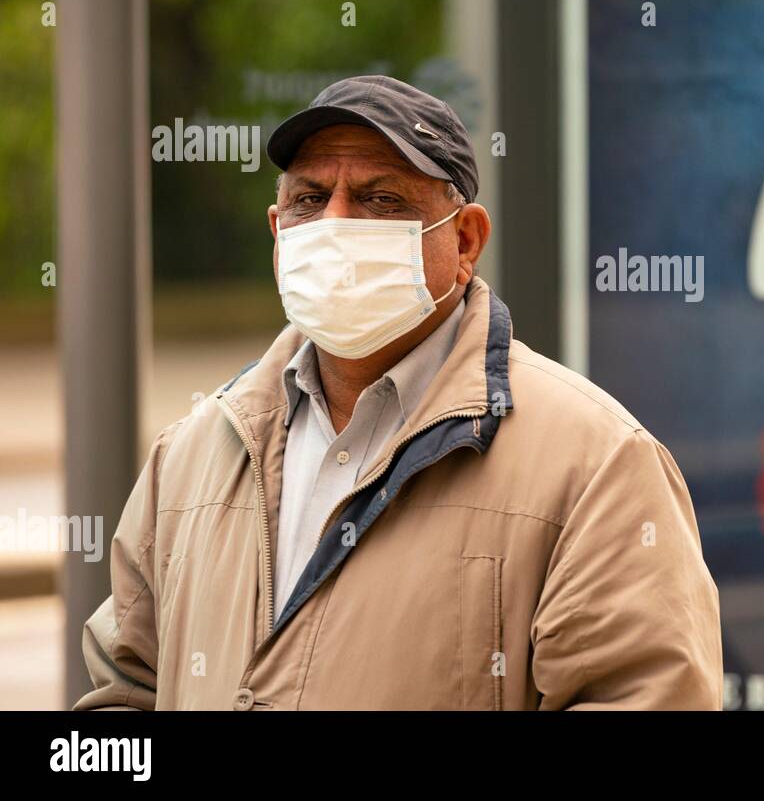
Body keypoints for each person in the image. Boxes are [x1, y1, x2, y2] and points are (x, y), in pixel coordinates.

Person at [74, 75, 723, 710]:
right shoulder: (190, 457)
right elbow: (125, 689)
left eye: (379, 200)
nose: (335, 226)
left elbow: (646, 692)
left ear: (464, 239)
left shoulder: (597, 465)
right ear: (278, 234)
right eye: (309, 198)